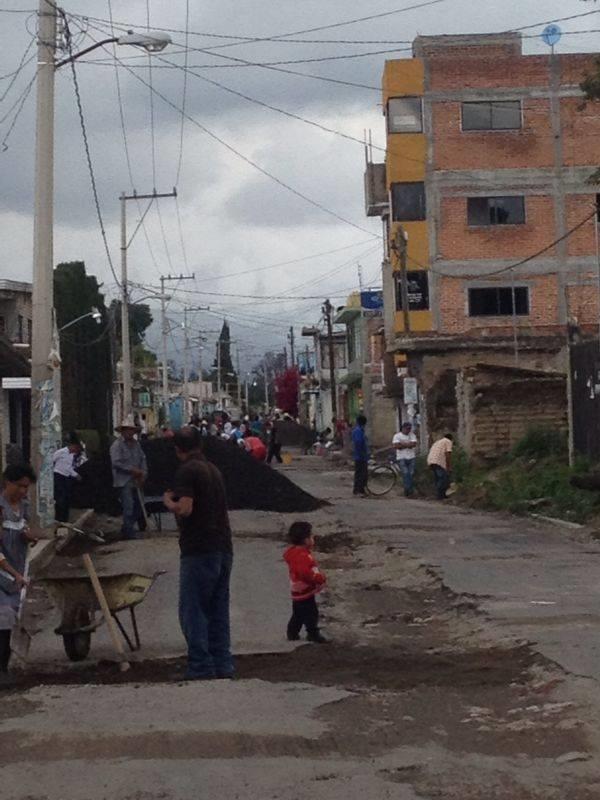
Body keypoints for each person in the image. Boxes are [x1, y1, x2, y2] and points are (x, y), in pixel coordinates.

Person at [163, 427, 234, 680]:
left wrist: (168, 502)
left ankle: (201, 666)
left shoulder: (187, 471)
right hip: (223, 547)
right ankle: (223, 664)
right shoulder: (213, 469)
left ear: (177, 449)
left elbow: (185, 509)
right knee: (218, 609)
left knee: (193, 610)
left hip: (199, 548)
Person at [0, 464, 44, 680]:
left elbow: (24, 529)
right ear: (7, 482)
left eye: (27, 487)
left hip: (16, 572)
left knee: (10, 618)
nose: (23, 491)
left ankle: (5, 668)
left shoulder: (23, 506)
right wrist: (14, 574)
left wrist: (29, 536)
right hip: (4, 572)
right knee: (4, 616)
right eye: (20, 486)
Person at [283, 521, 328, 643]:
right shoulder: (302, 556)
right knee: (311, 613)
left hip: (297, 591)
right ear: (306, 540)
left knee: (298, 613)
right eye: (311, 536)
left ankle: (292, 632)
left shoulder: (294, 553)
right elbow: (305, 573)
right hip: (305, 591)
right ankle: (313, 633)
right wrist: (319, 578)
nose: (313, 539)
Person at [110, 416, 148, 540]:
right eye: (127, 430)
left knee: (139, 505)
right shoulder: (117, 445)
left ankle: (127, 527)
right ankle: (128, 532)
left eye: (131, 430)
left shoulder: (136, 445)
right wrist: (131, 470)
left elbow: (142, 459)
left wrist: (143, 473)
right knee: (128, 505)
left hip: (136, 480)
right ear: (122, 431)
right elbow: (116, 462)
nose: (129, 432)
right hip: (124, 480)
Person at [52, 434, 87, 523]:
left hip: (66, 477)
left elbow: (68, 468)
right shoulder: (61, 452)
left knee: (67, 499)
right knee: (60, 499)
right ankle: (59, 519)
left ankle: (64, 519)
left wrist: (75, 475)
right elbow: (52, 460)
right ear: (73, 446)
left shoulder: (72, 456)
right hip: (58, 476)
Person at [393, 422, 418, 497]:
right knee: (406, 474)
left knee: (411, 474)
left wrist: (403, 444)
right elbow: (397, 446)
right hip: (401, 458)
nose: (408, 430)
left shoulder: (412, 435)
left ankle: (407, 490)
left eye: (410, 429)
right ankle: (409, 491)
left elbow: (413, 444)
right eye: (407, 429)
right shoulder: (397, 436)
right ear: (403, 428)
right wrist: (408, 444)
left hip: (411, 457)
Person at [427, 433, 454, 500]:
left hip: (431, 460)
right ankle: (440, 495)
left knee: (438, 478)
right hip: (438, 462)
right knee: (443, 479)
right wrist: (449, 466)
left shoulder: (437, 442)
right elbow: (448, 454)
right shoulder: (448, 441)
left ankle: (440, 494)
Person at [351, 415, 370, 497]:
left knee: (359, 473)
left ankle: (357, 490)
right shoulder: (359, 431)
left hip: (359, 456)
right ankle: (359, 490)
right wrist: (363, 454)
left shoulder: (357, 430)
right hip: (360, 457)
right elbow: (359, 443)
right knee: (362, 474)